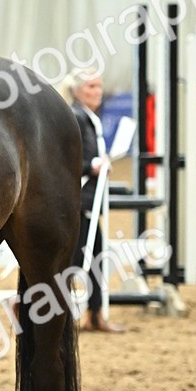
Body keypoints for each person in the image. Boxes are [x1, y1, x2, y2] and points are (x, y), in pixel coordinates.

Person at [65, 68, 125, 334]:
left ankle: (95, 314)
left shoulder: (88, 118)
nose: (97, 92)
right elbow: (66, 161)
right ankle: (25, 303)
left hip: (88, 201)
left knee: (96, 257)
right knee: (75, 260)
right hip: (78, 201)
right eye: (91, 87)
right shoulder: (76, 118)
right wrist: (92, 167)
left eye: (99, 87)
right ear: (77, 91)